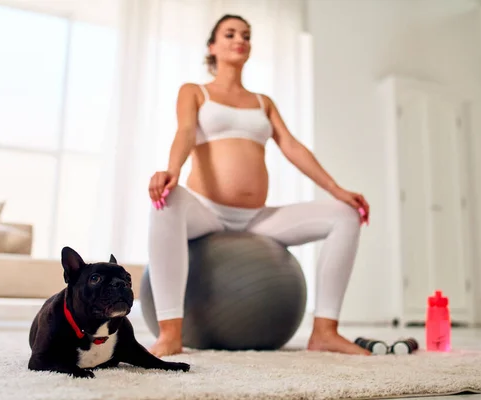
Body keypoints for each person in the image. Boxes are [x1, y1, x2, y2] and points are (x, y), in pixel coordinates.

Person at [146, 14, 371, 357]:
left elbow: (293, 147)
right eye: (230, 33)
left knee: (346, 215)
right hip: (206, 211)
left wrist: (337, 190)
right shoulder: (195, 92)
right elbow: (186, 132)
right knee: (166, 199)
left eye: (246, 35)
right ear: (212, 46)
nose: (240, 39)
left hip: (256, 219)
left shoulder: (264, 102)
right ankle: (170, 334)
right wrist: (171, 170)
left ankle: (325, 331)